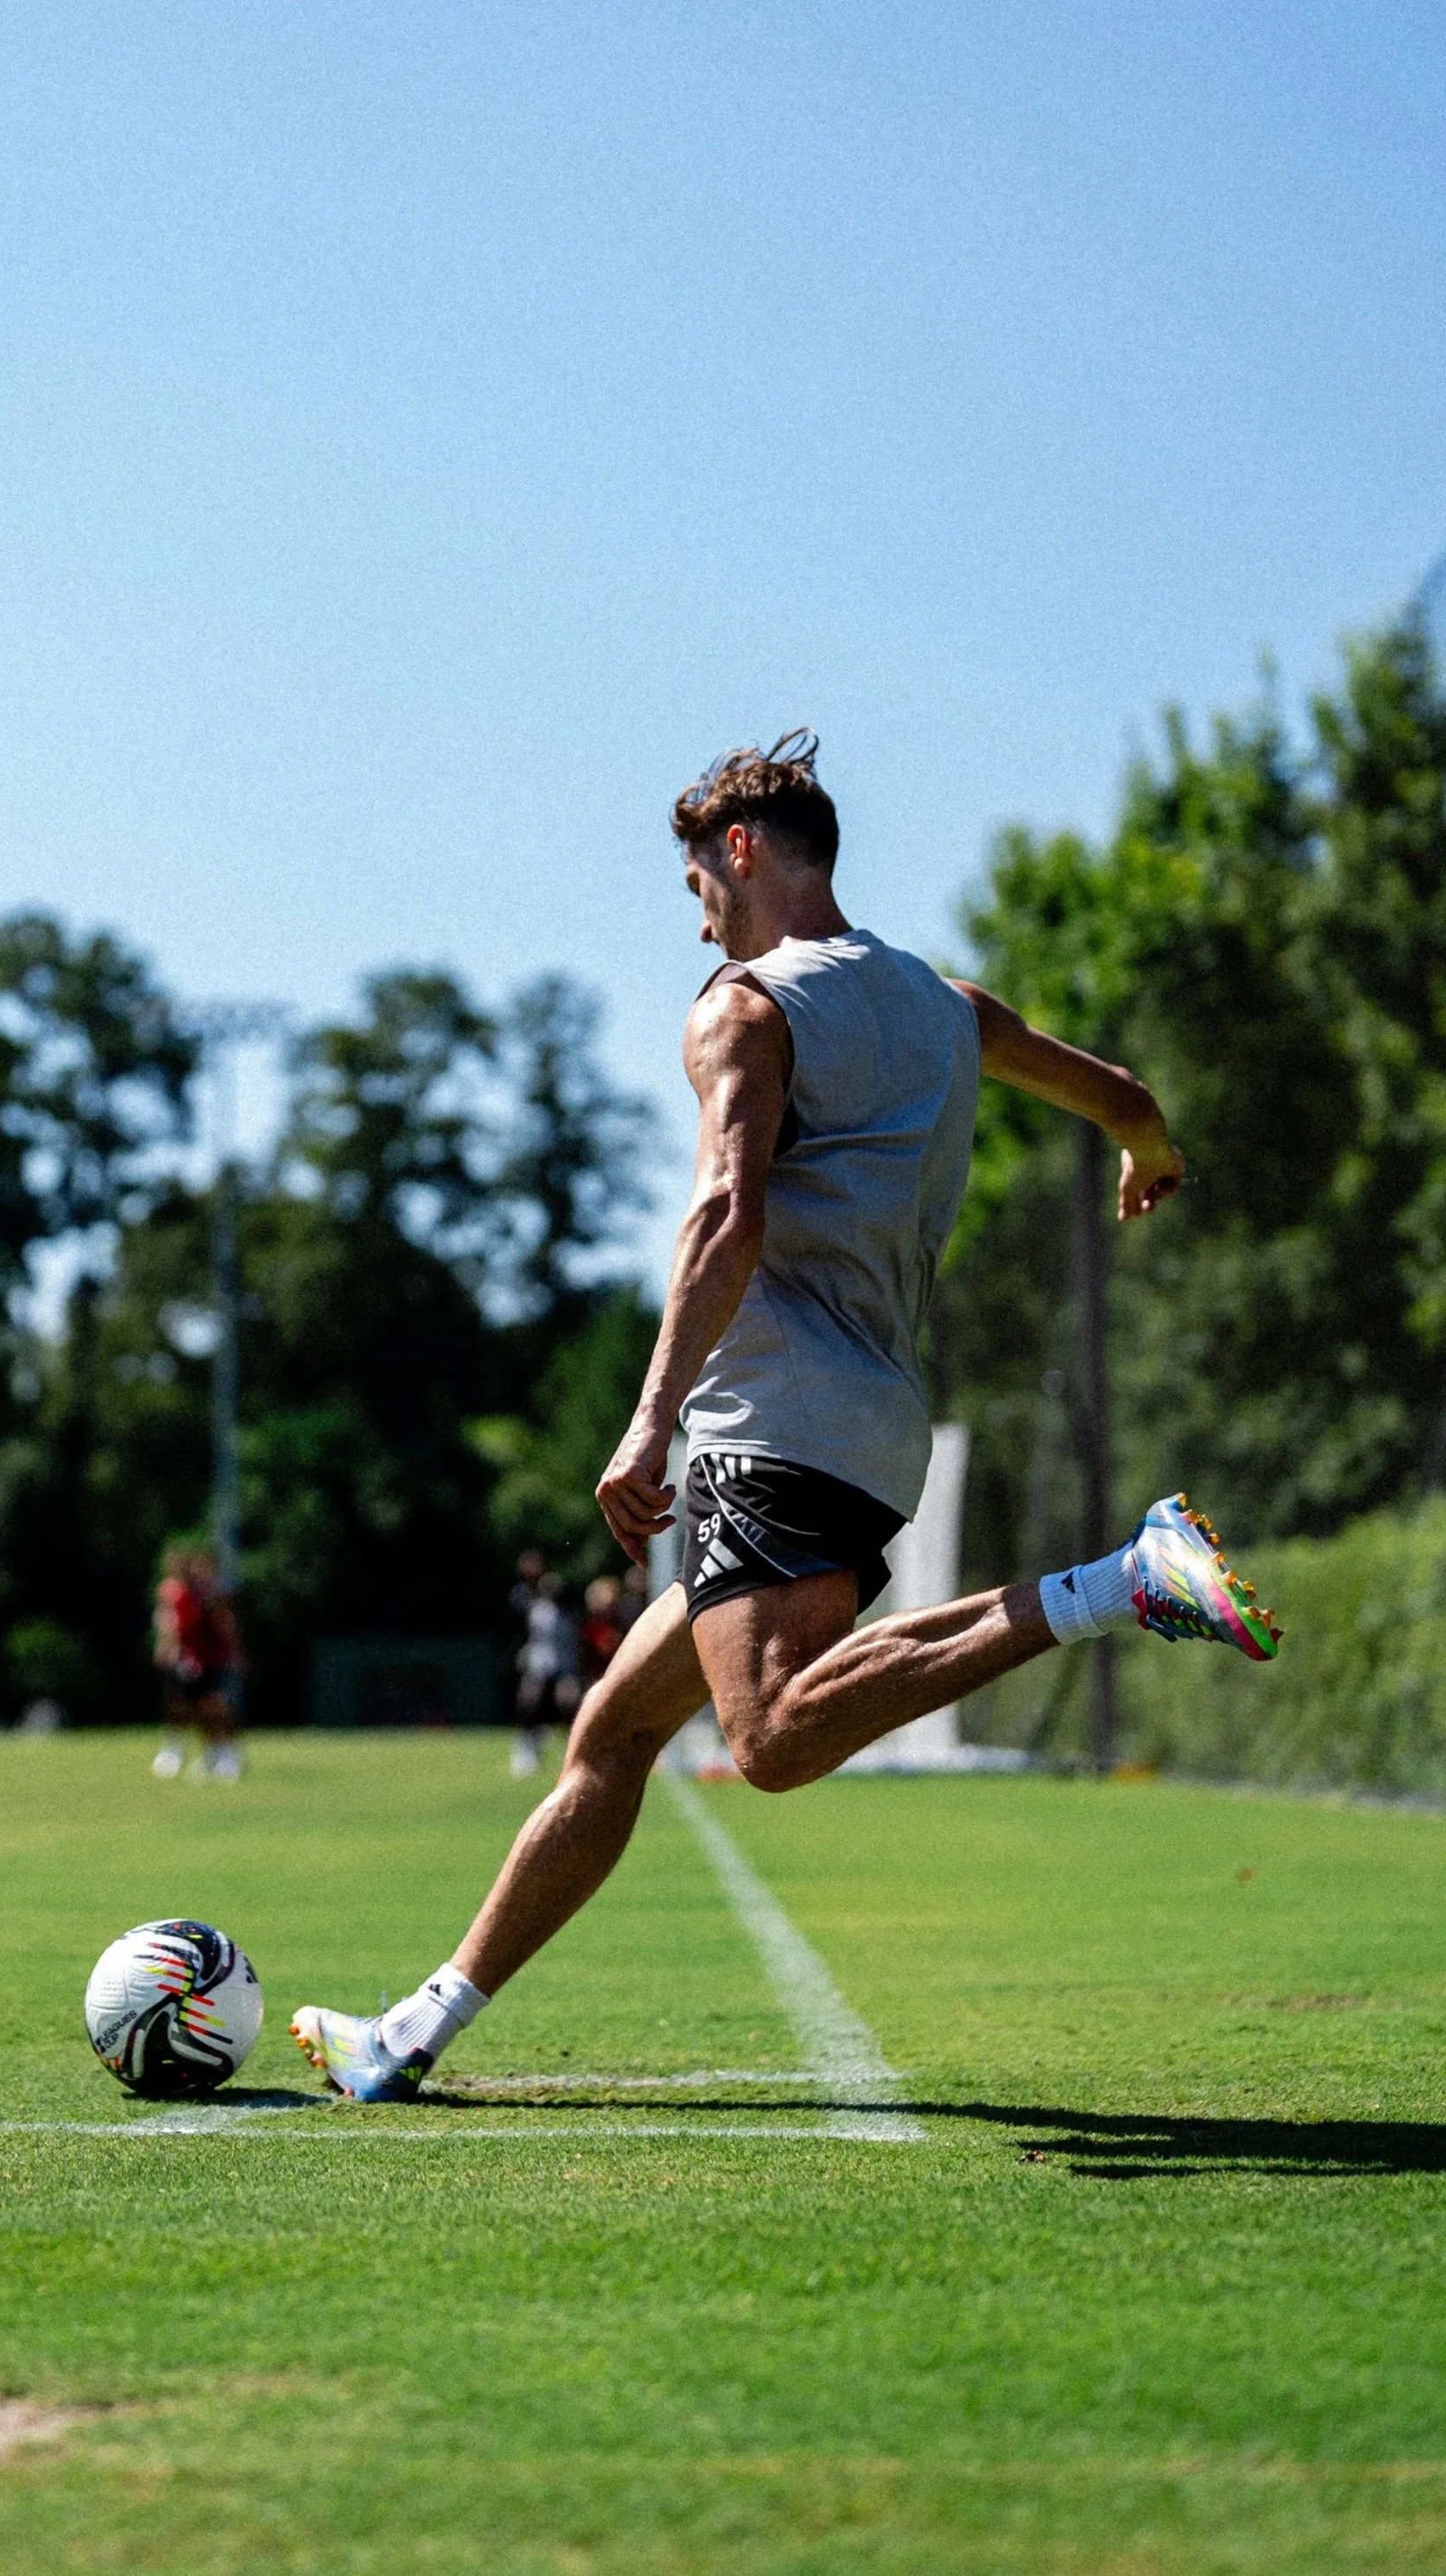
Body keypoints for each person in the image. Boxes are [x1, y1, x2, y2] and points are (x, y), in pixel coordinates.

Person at [293, 729, 1280, 2101]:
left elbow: (723, 1214)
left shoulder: (741, 1007)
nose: (691, 899)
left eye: (695, 870)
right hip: (870, 1425)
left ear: (741, 851)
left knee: (763, 1739)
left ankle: (1121, 1576)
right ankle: (410, 2033)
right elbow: (1123, 1099)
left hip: (771, 1423)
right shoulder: (946, 1006)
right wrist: (1147, 1156)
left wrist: (648, 1422)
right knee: (613, 1731)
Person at [151, 1546, 243, 1781]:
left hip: (210, 1659)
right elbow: (171, 1624)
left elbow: (224, 1626)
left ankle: (226, 1754)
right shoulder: (178, 1593)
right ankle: (206, 1754)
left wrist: (235, 1652)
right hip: (188, 1660)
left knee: (214, 1707)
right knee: (185, 1706)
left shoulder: (212, 1595)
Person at [509, 1571, 579, 1780]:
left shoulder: (569, 1613)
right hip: (539, 1665)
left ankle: (573, 1749)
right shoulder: (536, 1610)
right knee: (530, 1702)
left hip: (564, 1666)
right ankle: (527, 1745)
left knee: (569, 1703)